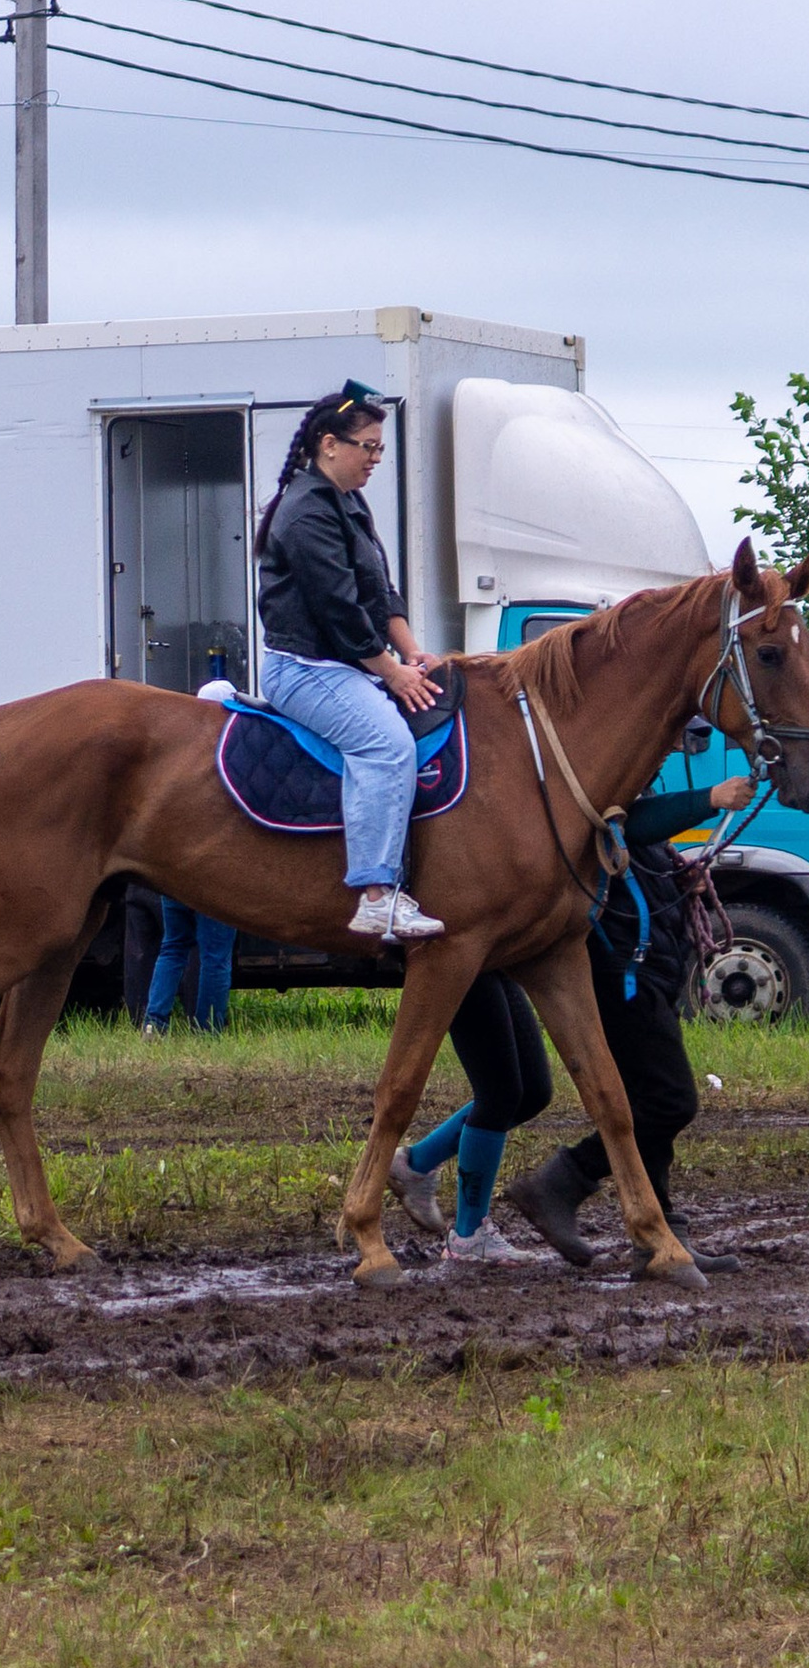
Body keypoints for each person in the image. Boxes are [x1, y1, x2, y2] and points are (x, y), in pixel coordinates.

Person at [506, 774, 752, 1271]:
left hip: (648, 966)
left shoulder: (634, 779)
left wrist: (678, 880)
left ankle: (662, 1240)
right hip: (622, 971)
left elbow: (638, 847)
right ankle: (559, 1182)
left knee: (646, 1102)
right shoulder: (604, 783)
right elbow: (633, 825)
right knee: (670, 1101)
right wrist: (710, 799)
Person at [255, 384, 443, 942]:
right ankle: (377, 895)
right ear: (329, 444)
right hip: (305, 670)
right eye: (369, 446)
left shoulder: (350, 502)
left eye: (381, 449)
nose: (376, 459)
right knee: (387, 746)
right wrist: (392, 672)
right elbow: (339, 608)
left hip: (345, 665)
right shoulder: (306, 511)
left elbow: (379, 591)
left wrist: (412, 650)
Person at [387, 973, 555, 1263]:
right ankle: (469, 1236)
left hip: (500, 961)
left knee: (533, 1092)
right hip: (462, 961)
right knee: (498, 1093)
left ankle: (415, 1164)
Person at [141, 895, 236, 1036]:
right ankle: (207, 1030)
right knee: (215, 957)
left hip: (176, 887)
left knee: (172, 949)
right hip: (215, 890)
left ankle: (153, 1024)